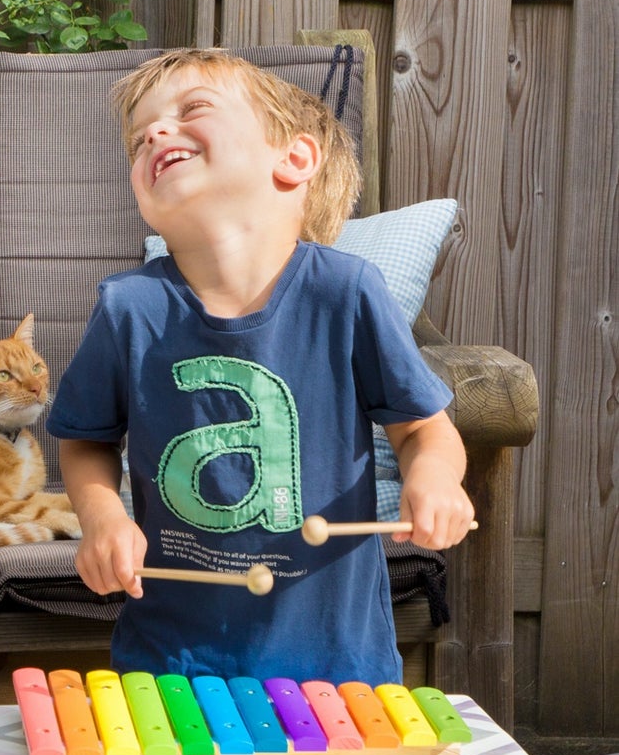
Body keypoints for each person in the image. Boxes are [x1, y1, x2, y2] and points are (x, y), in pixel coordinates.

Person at [47, 48, 473, 686]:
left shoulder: (345, 292)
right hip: (176, 664)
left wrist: (437, 480)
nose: (157, 133)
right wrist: (105, 519)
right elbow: (86, 440)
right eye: (139, 138)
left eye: (192, 110)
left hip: (338, 665)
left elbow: (423, 430)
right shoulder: (128, 308)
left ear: (294, 159)